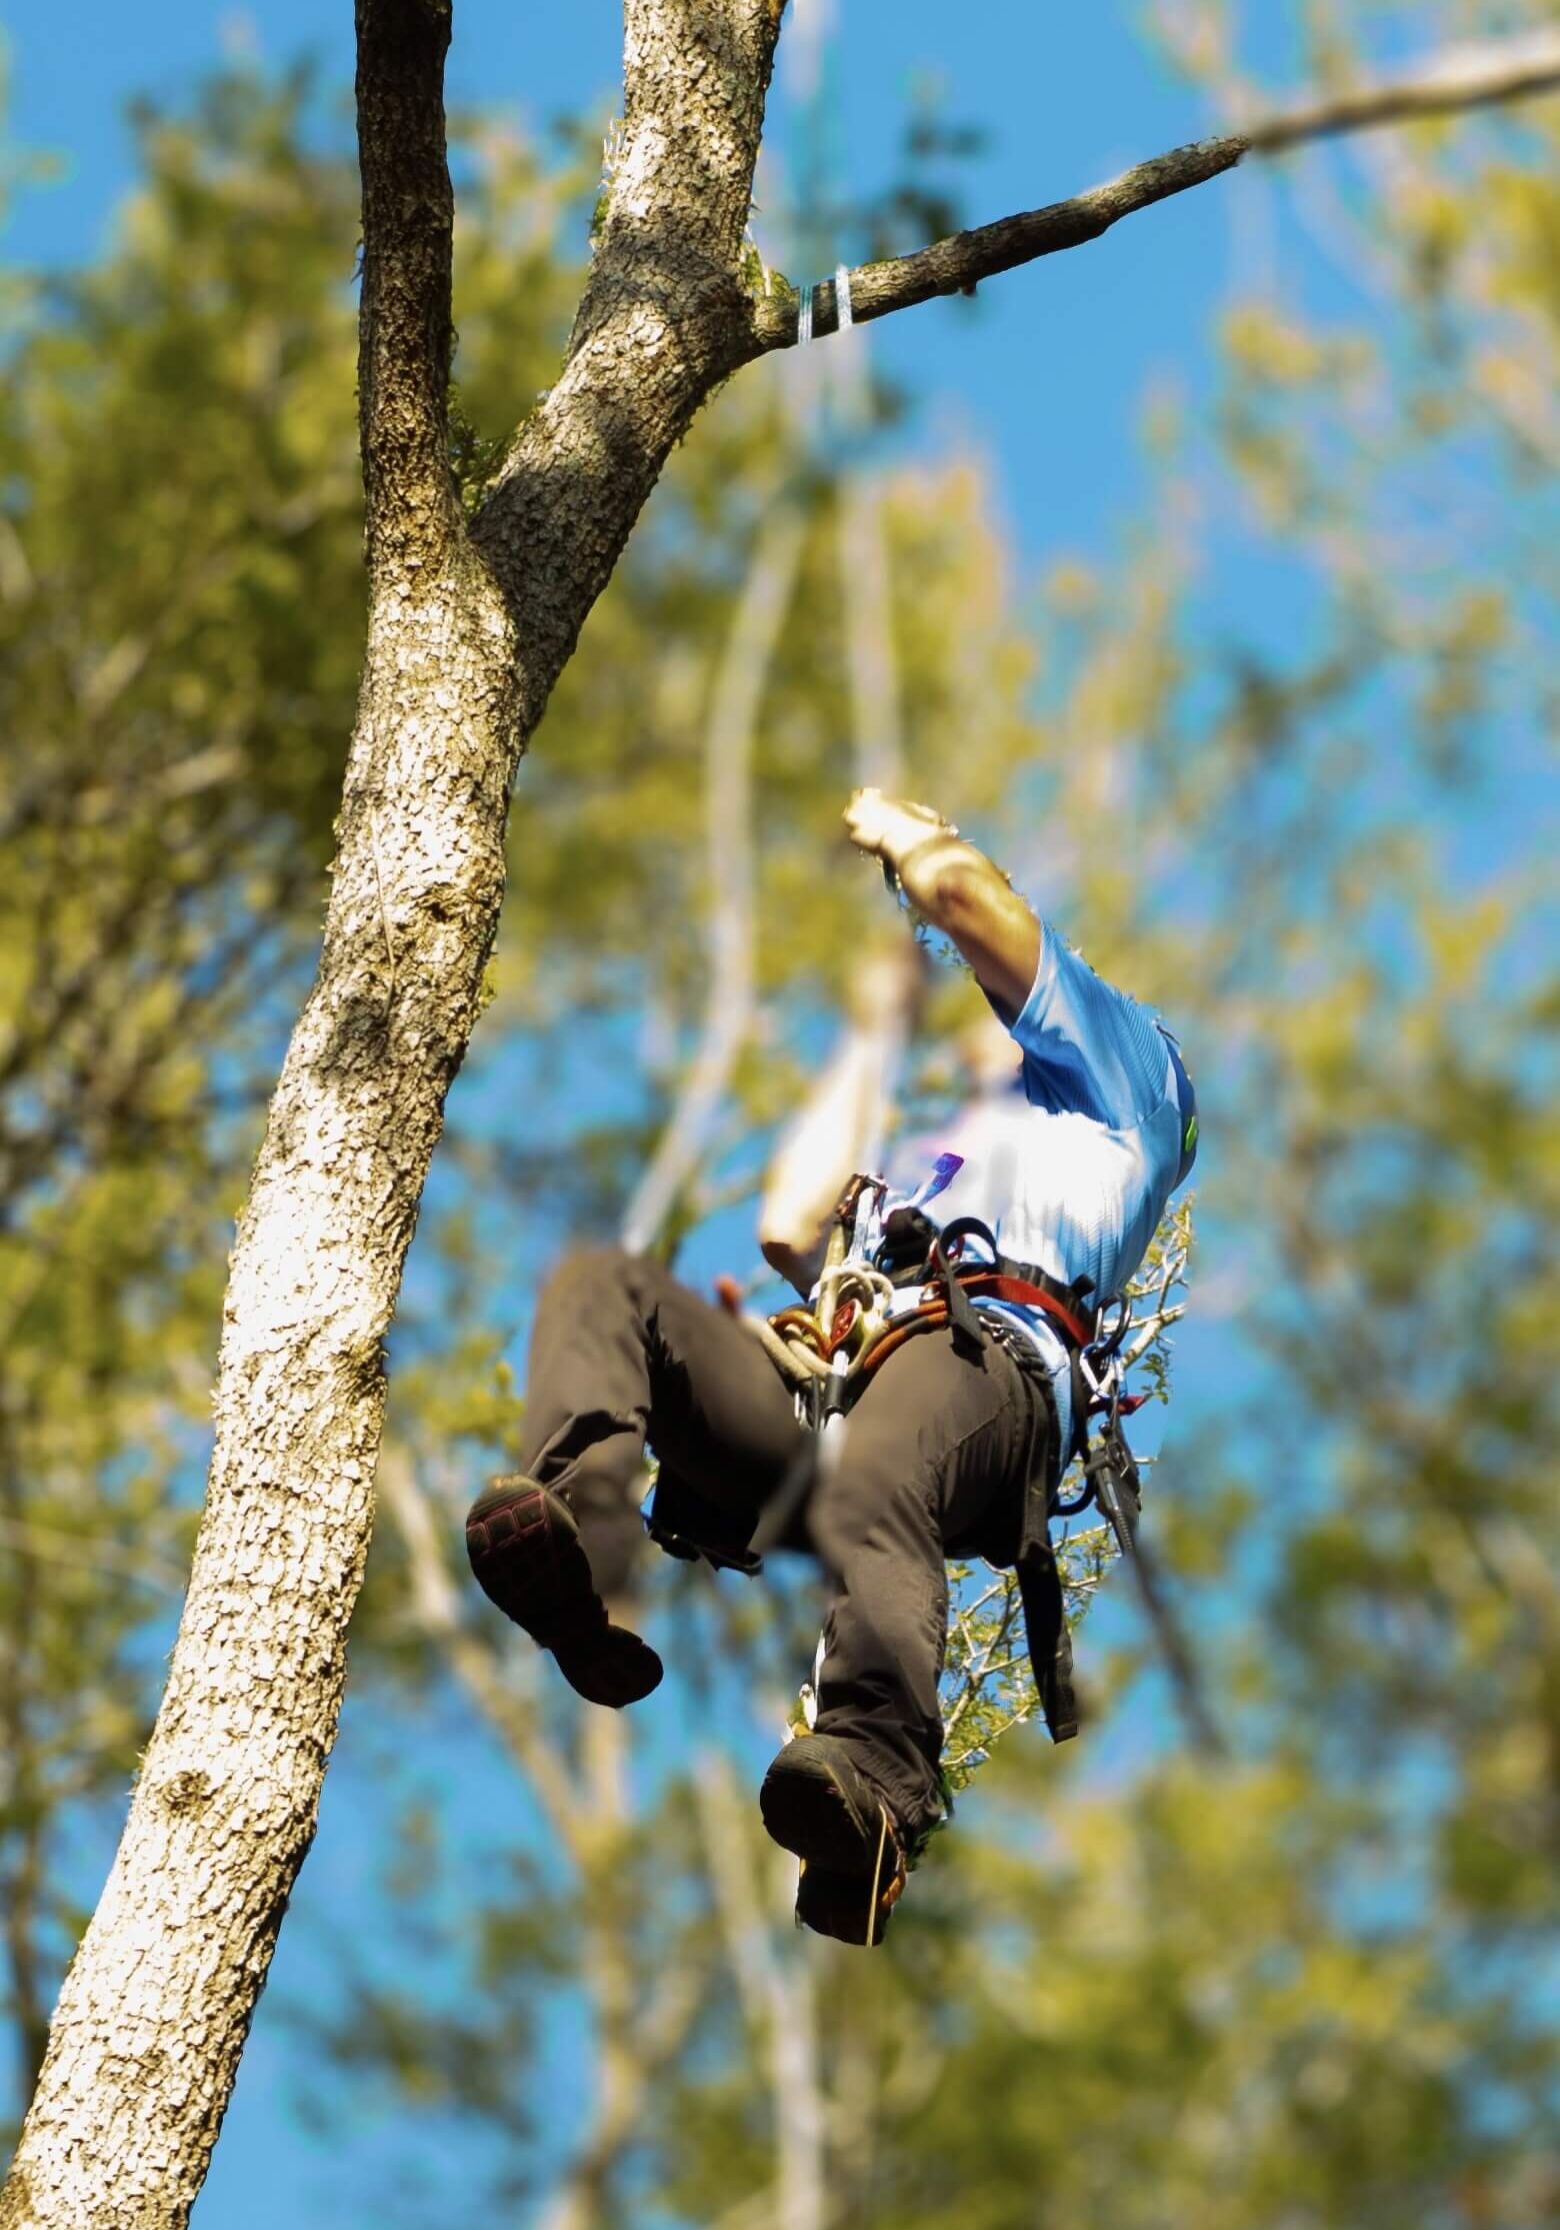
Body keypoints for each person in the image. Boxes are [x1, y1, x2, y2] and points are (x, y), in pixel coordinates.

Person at [466, 789, 1198, 1944]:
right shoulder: (946, 1161)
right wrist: (871, 1032)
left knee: (889, 1451)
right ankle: (582, 1550)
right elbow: (790, 1229)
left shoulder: (1131, 1079)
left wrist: (910, 837)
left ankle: (878, 1785)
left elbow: (966, 898)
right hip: (845, 1404)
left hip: (986, 1380)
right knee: (607, 1289)